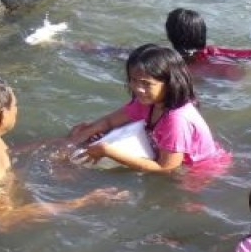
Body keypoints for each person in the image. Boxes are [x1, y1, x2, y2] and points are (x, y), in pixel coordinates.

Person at [0, 74, 126, 227]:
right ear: (0, 117)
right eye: (15, 106)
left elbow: (9, 154)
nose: (16, 110)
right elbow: (4, 221)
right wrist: (84, 202)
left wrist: (61, 144)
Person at [69, 44, 230, 174]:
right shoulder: (147, 102)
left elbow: (166, 168)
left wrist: (108, 151)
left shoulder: (177, 120)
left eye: (146, 83)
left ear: (170, 84)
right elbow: (109, 121)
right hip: (170, 154)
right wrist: (75, 140)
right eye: (134, 80)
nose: (138, 88)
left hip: (198, 171)